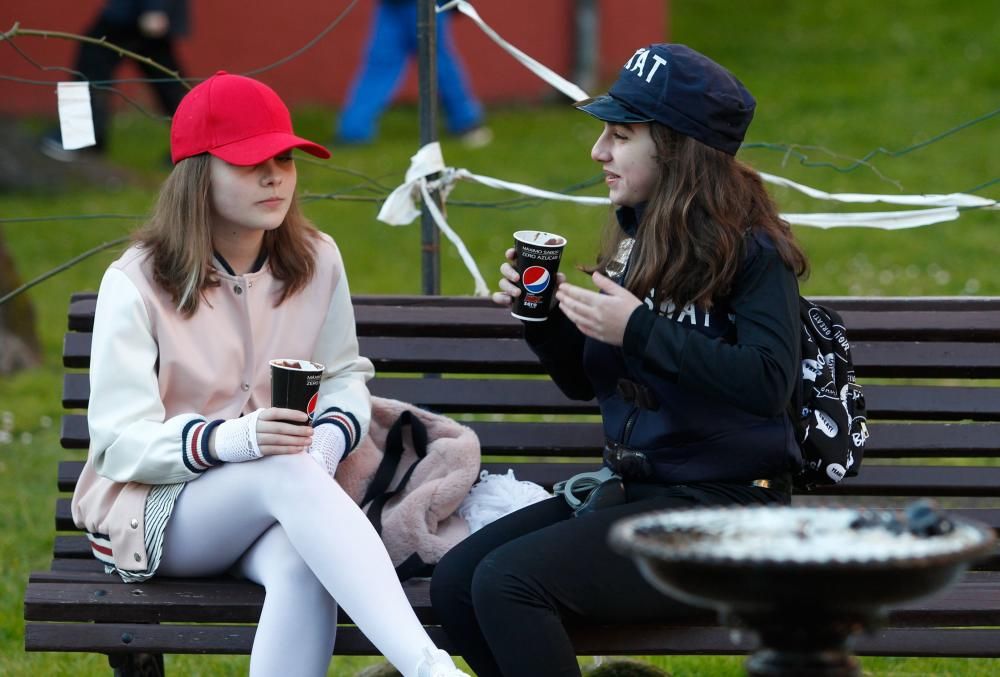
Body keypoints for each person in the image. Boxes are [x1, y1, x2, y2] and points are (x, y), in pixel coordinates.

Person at [70, 71, 468, 677]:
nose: (275, 174)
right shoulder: (136, 282)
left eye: (284, 157)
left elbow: (342, 376)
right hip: (154, 511)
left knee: (302, 563)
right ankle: (429, 669)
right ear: (197, 175)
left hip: (280, 498)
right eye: (250, 161)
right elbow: (119, 442)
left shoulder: (316, 258)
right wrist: (237, 440)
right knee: (281, 469)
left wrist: (329, 442)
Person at [430, 43, 809, 677]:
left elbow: (769, 382)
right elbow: (585, 381)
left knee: (509, 583)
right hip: (640, 495)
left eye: (620, 134)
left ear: (676, 147)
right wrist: (544, 317)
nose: (598, 152)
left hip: (731, 514)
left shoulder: (754, 252)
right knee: (459, 582)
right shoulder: (639, 239)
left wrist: (639, 328)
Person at [40, 0, 189, 161]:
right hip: (140, 11)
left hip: (134, 11)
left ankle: (77, 136)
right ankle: (199, 141)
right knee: (165, 74)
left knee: (92, 57)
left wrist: (154, 7)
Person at [336, 0, 491, 147]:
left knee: (434, 60)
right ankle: (353, 131)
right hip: (395, 5)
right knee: (429, 60)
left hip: (419, 5)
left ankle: (466, 122)